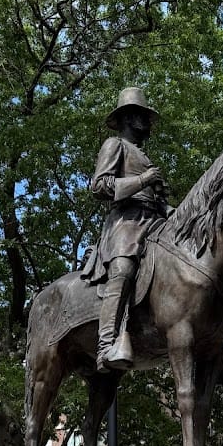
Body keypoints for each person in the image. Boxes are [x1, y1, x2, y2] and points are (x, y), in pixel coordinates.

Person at [80, 86, 169, 372]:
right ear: (129, 118)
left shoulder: (145, 157)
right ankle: (106, 345)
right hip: (126, 223)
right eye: (142, 115)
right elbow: (100, 186)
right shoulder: (114, 145)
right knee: (123, 268)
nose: (146, 122)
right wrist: (143, 180)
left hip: (156, 221)